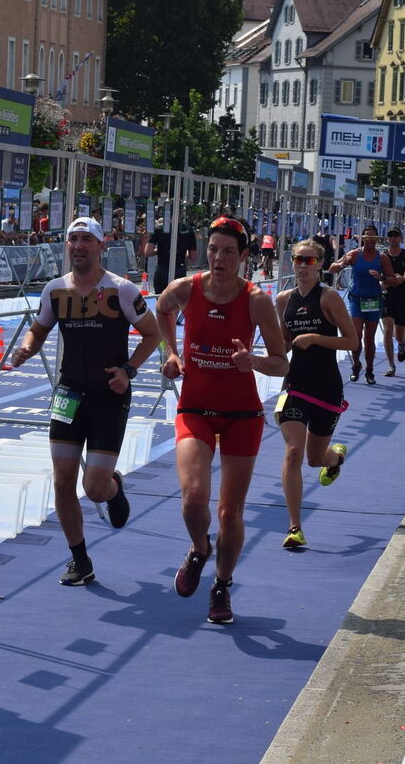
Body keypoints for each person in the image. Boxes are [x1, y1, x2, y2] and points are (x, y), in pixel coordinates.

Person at [10, 217, 161, 586]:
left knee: (93, 488)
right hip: (69, 395)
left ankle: (112, 487)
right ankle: (80, 559)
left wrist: (128, 370)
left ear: (100, 246)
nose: (78, 246)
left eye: (86, 240)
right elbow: (38, 330)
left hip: (109, 396)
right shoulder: (55, 290)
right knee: (63, 481)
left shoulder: (121, 290)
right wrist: (27, 348)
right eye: (73, 240)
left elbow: (152, 334)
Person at [156, 216, 288, 624]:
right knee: (194, 498)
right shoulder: (186, 288)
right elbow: (161, 310)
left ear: (244, 257)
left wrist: (254, 361)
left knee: (230, 513)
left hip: (242, 415)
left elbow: (281, 363)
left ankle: (222, 585)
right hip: (195, 408)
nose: (219, 258)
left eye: (229, 252)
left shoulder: (256, 300)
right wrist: (171, 352)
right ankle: (200, 549)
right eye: (213, 249)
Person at [274, 240, 358, 548]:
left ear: (320, 264)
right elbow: (284, 343)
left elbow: (352, 342)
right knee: (293, 452)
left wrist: (314, 338)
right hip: (295, 385)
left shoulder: (328, 297)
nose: (302, 266)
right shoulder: (283, 300)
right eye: (298, 259)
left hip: (326, 387)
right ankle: (294, 527)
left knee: (313, 459)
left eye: (309, 261)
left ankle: (334, 458)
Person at [330, 224, 395, 385]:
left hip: (374, 300)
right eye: (367, 237)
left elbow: (393, 279)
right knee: (356, 336)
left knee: (369, 339)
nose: (370, 240)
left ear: (377, 239)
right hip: (357, 300)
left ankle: (370, 370)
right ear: (362, 238)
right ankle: (356, 365)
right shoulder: (354, 255)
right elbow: (332, 269)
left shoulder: (382, 257)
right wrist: (343, 263)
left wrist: (381, 278)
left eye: (373, 237)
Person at [381, 228, 405, 377]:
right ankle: (391, 365)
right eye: (390, 236)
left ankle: (401, 343)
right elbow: (376, 273)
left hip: (402, 296)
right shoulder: (382, 256)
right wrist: (381, 282)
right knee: (387, 329)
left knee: (399, 333)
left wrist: (403, 277)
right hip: (387, 296)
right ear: (387, 238)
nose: (392, 238)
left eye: (395, 236)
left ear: (400, 238)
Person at [144, 216, 197, 295]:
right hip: (179, 269)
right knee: (178, 299)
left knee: (161, 298)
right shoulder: (188, 230)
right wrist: (183, 253)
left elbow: (148, 251)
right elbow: (193, 257)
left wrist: (160, 250)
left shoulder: (158, 228)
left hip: (162, 268)